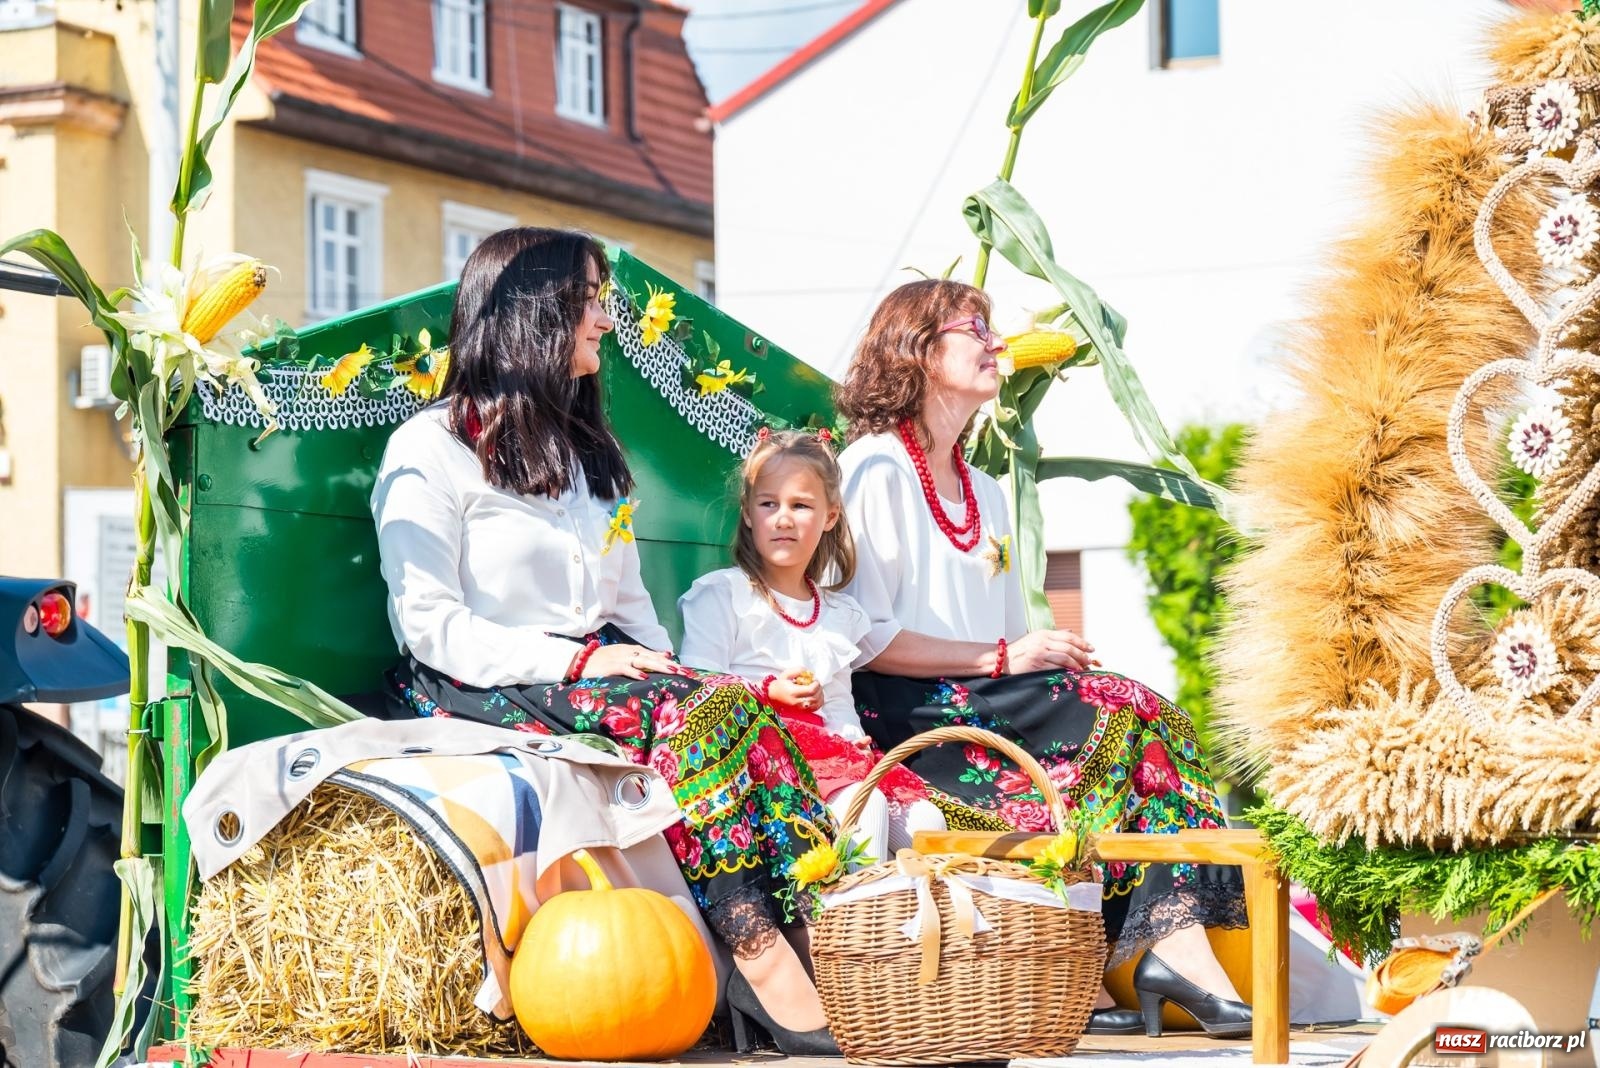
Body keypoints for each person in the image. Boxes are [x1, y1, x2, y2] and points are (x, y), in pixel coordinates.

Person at [371, 227, 838, 1055]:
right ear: (536, 310)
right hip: (476, 677)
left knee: (731, 711)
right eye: (593, 299)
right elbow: (431, 627)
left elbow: (629, 605)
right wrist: (584, 662)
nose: (607, 321)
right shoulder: (428, 450)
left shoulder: (592, 457)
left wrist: (680, 674)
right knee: (697, 717)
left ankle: (814, 939)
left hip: (592, 668)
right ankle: (759, 960)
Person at [835, 279, 1251, 1039]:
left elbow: (1007, 650)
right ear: (921, 350)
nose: (997, 343)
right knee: (1130, 711)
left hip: (981, 698)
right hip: (902, 713)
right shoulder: (873, 467)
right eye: (976, 328)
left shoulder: (986, 492)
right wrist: (1006, 656)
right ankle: (1147, 964)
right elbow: (866, 641)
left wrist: (1048, 660)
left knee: (1150, 725)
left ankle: (1157, 954)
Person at [679, 428, 946, 866]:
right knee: (868, 813)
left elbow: (839, 703)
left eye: (800, 505)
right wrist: (766, 692)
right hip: (761, 762)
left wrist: (850, 738)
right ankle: (848, 928)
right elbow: (697, 687)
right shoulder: (722, 595)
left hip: (830, 760)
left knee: (928, 823)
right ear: (748, 513)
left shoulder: (839, 614)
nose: (783, 518)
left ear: (830, 516)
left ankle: (906, 928)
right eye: (769, 504)